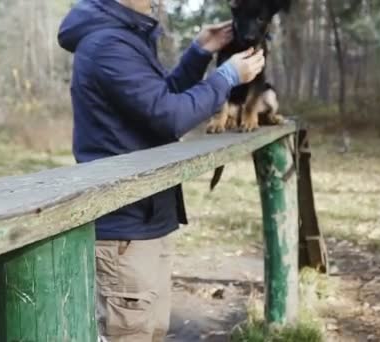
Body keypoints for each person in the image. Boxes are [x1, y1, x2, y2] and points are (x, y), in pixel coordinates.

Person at [58, 0, 265, 341]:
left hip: (150, 216)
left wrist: (199, 52)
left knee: (152, 332)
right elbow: (169, 115)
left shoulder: (125, 37)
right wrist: (226, 76)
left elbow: (158, 99)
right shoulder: (107, 45)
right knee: (130, 334)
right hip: (125, 227)